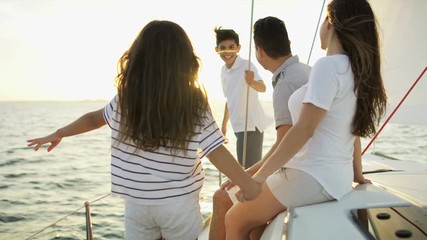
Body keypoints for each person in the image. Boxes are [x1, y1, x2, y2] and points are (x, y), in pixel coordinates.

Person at [26, 20, 262, 240]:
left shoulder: (126, 97)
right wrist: (248, 184)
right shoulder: (192, 99)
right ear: (183, 58)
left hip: (137, 205)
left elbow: (93, 119)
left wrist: (59, 133)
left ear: (139, 57)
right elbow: (215, 150)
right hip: (177, 205)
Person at [225, 0, 386, 238]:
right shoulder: (355, 69)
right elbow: (353, 130)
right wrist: (357, 175)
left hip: (310, 176)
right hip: (335, 180)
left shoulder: (328, 66)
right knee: (253, 223)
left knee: (234, 219)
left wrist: (259, 178)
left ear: (330, 23)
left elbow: (303, 129)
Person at [209, 17, 311, 240]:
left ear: (259, 51)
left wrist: (247, 176)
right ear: (289, 42)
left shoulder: (284, 83)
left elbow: (284, 144)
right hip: (303, 168)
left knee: (225, 204)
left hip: (296, 170)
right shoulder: (309, 71)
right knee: (249, 220)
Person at [214, 27, 271, 169]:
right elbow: (229, 99)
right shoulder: (223, 71)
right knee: (246, 169)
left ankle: (253, 192)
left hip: (251, 125)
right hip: (238, 126)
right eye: (223, 48)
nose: (227, 51)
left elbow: (263, 88)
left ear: (238, 48)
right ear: (217, 50)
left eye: (232, 47)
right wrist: (224, 125)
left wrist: (252, 82)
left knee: (248, 170)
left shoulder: (246, 65)